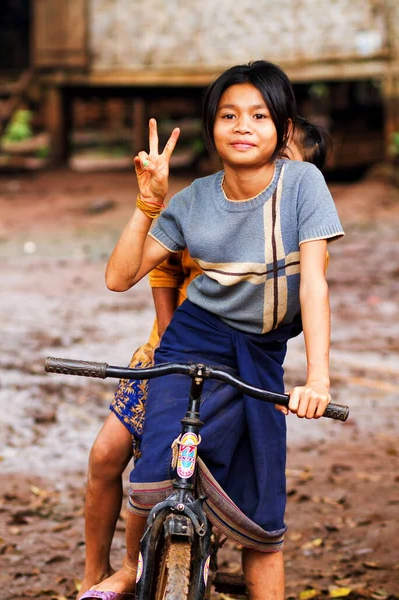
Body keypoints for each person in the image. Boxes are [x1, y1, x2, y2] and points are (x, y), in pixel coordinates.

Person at [80, 59, 343, 600]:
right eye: (229, 115)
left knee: (262, 520)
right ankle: (137, 571)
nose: (243, 126)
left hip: (260, 355)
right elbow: (118, 277)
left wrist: (318, 379)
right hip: (192, 339)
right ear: (212, 126)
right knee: (153, 482)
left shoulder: (303, 184)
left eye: (259, 116)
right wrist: (148, 201)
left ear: (282, 129)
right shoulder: (194, 199)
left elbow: (314, 285)